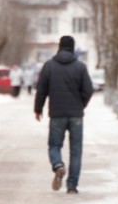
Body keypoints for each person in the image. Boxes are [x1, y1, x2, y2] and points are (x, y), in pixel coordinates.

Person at [33, 35, 93, 194]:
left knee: (54, 145)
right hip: (76, 115)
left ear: (59, 47)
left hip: (57, 114)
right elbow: (88, 90)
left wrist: (38, 109)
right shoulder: (80, 67)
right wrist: (81, 104)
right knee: (76, 150)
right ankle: (72, 185)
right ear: (72, 48)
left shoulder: (49, 66)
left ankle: (58, 165)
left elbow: (41, 90)